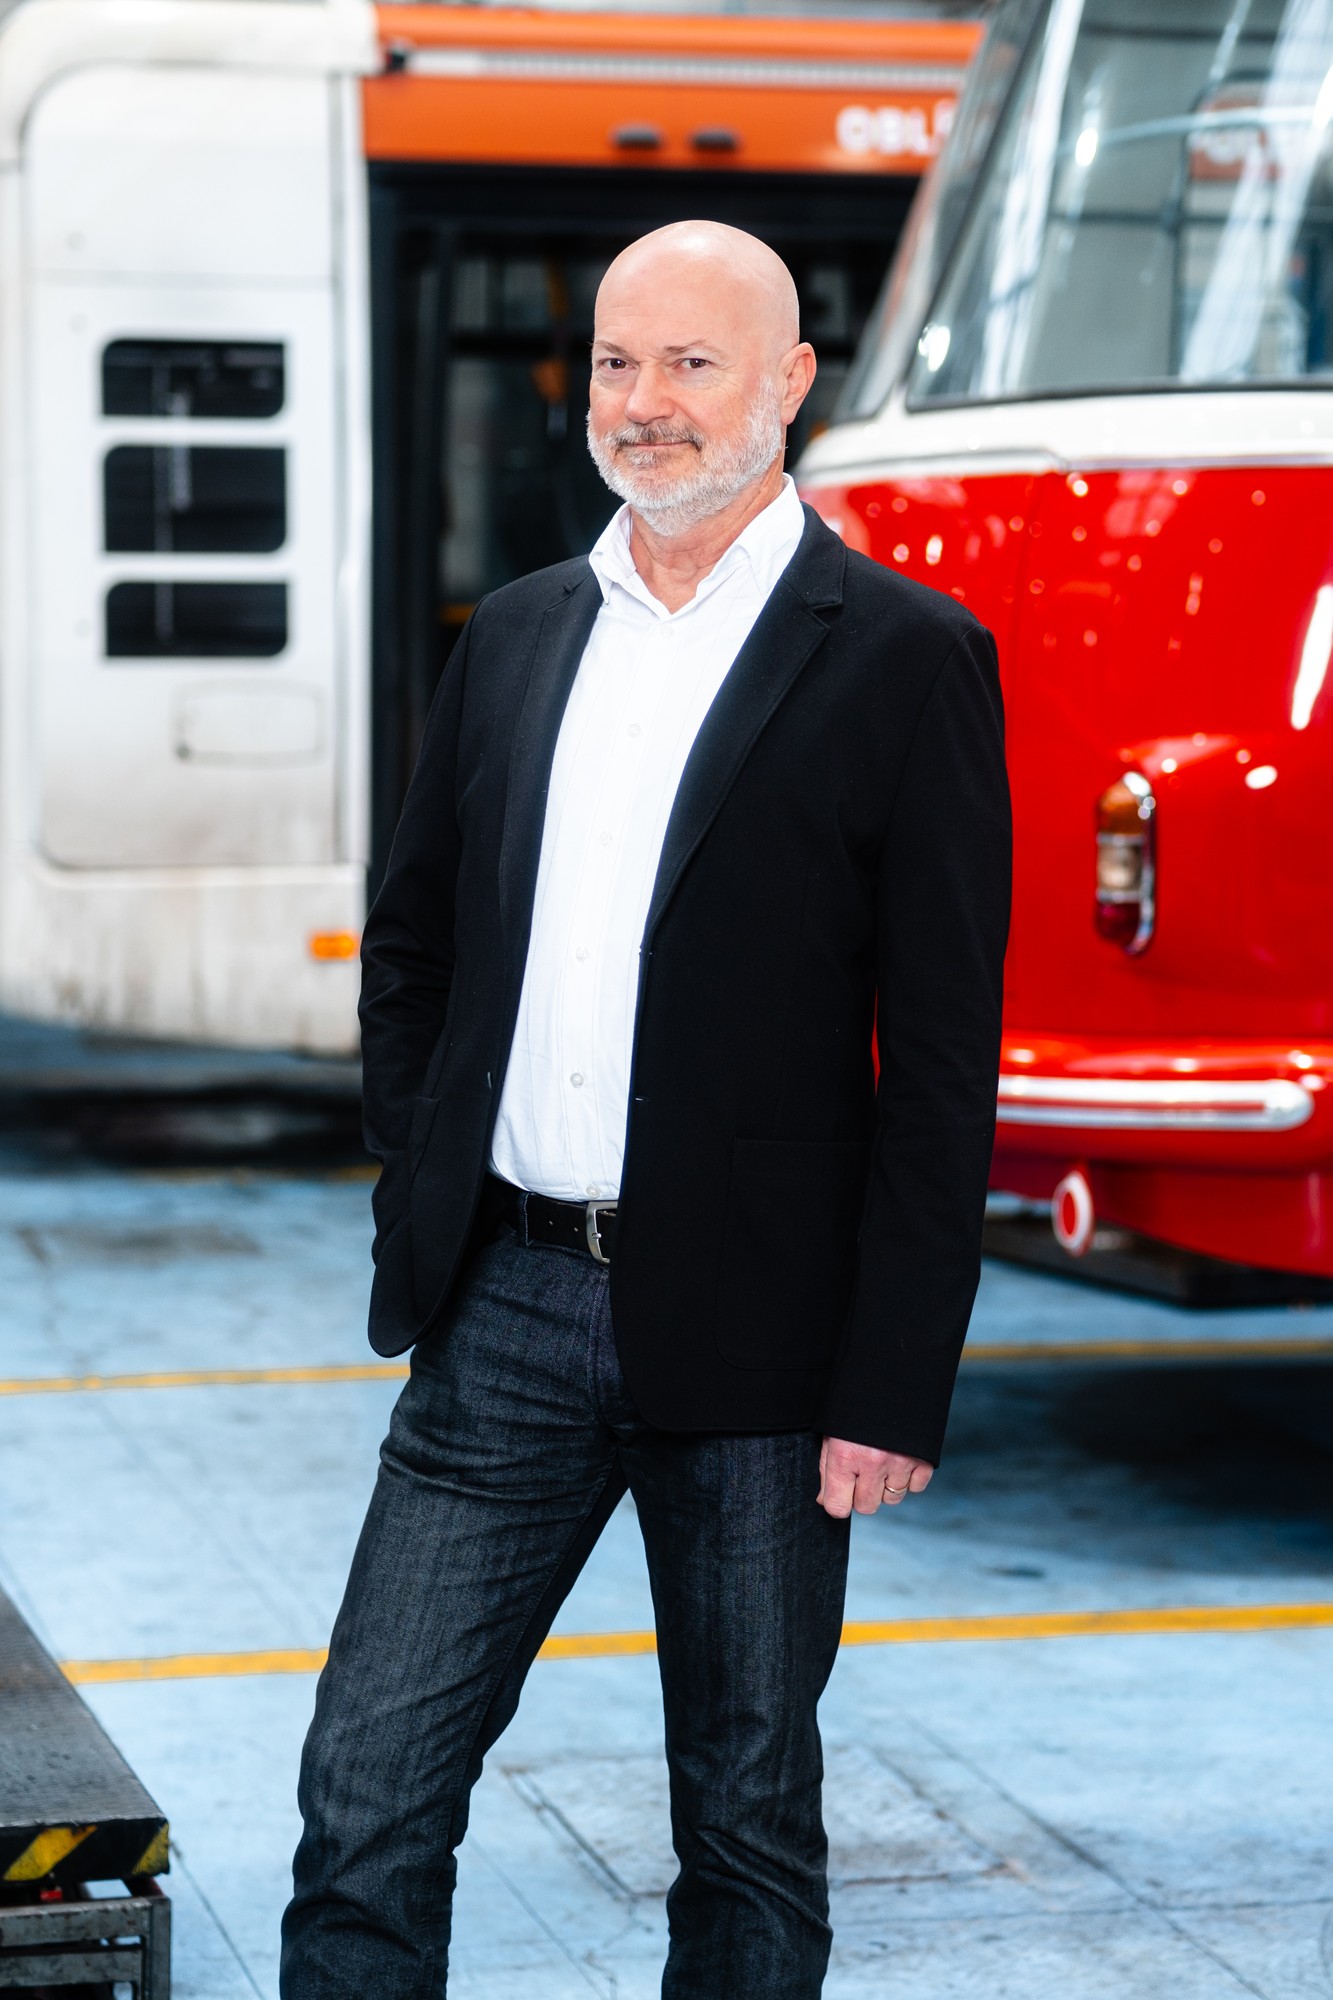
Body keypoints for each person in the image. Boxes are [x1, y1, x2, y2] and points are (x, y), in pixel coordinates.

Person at [281, 220, 1010, 2000]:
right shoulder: (521, 633)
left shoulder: (905, 656)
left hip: (765, 1343)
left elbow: (940, 1061)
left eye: (692, 362)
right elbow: (414, 947)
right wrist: (422, 1189)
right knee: (365, 1793)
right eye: (617, 361)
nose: (645, 401)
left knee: (745, 1827)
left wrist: (889, 1380)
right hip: (503, 1310)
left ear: (789, 382)